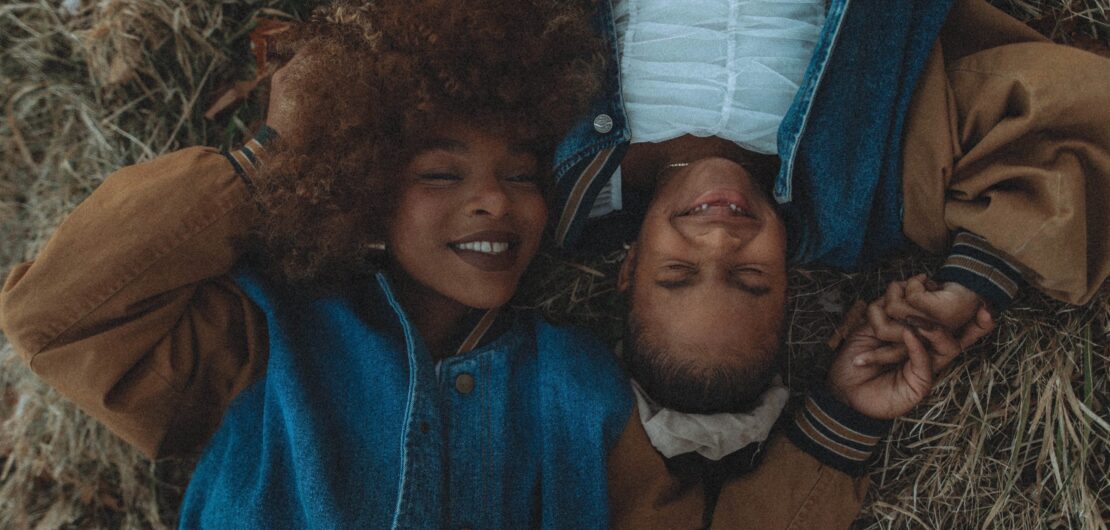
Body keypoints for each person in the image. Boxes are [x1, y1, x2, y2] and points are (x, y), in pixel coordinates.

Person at [0, 1, 636, 526]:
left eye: (523, 174)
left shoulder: (582, 384)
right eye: (441, 174)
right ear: (363, 188)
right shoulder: (266, 340)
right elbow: (53, 319)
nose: (495, 200)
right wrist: (269, 158)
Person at [551, 0, 1110, 525]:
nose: (719, 241)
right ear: (791, 284)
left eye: (678, 273)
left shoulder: (559, 182)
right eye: (751, 277)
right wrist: (970, 287)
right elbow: (1058, 126)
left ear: (628, 271)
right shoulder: (861, 193)